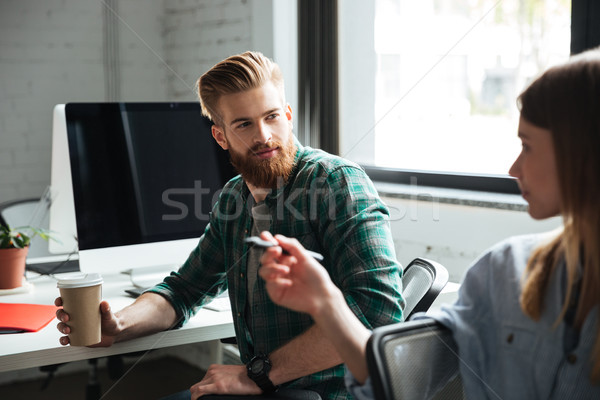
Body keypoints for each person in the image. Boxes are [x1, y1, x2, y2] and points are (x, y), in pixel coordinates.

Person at [55, 51, 404, 400]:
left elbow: (380, 314)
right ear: (220, 136)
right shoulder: (233, 200)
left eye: (271, 117)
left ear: (288, 116)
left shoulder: (335, 182)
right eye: (243, 124)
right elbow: (184, 290)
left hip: (327, 393)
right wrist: (119, 325)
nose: (264, 135)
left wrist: (261, 375)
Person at [259, 47, 600, 399]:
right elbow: (397, 376)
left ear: (582, 154)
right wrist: (325, 302)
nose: (513, 169)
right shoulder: (504, 271)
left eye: (527, 146)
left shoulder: (334, 179)